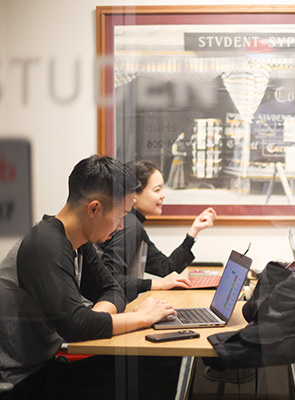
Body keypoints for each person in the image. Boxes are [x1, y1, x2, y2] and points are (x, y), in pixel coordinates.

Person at [0, 155, 179, 400]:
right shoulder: (44, 244)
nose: (119, 227)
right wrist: (143, 317)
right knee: (149, 372)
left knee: (156, 365)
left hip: (46, 367)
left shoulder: (78, 241)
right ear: (94, 208)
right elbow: (76, 326)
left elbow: (113, 290)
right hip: (21, 382)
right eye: (119, 216)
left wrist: (94, 318)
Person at [100, 159, 217, 302]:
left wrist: (194, 231)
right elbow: (109, 279)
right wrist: (156, 284)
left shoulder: (133, 223)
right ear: (134, 195)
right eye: (157, 190)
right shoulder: (130, 224)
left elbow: (165, 268)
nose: (163, 195)